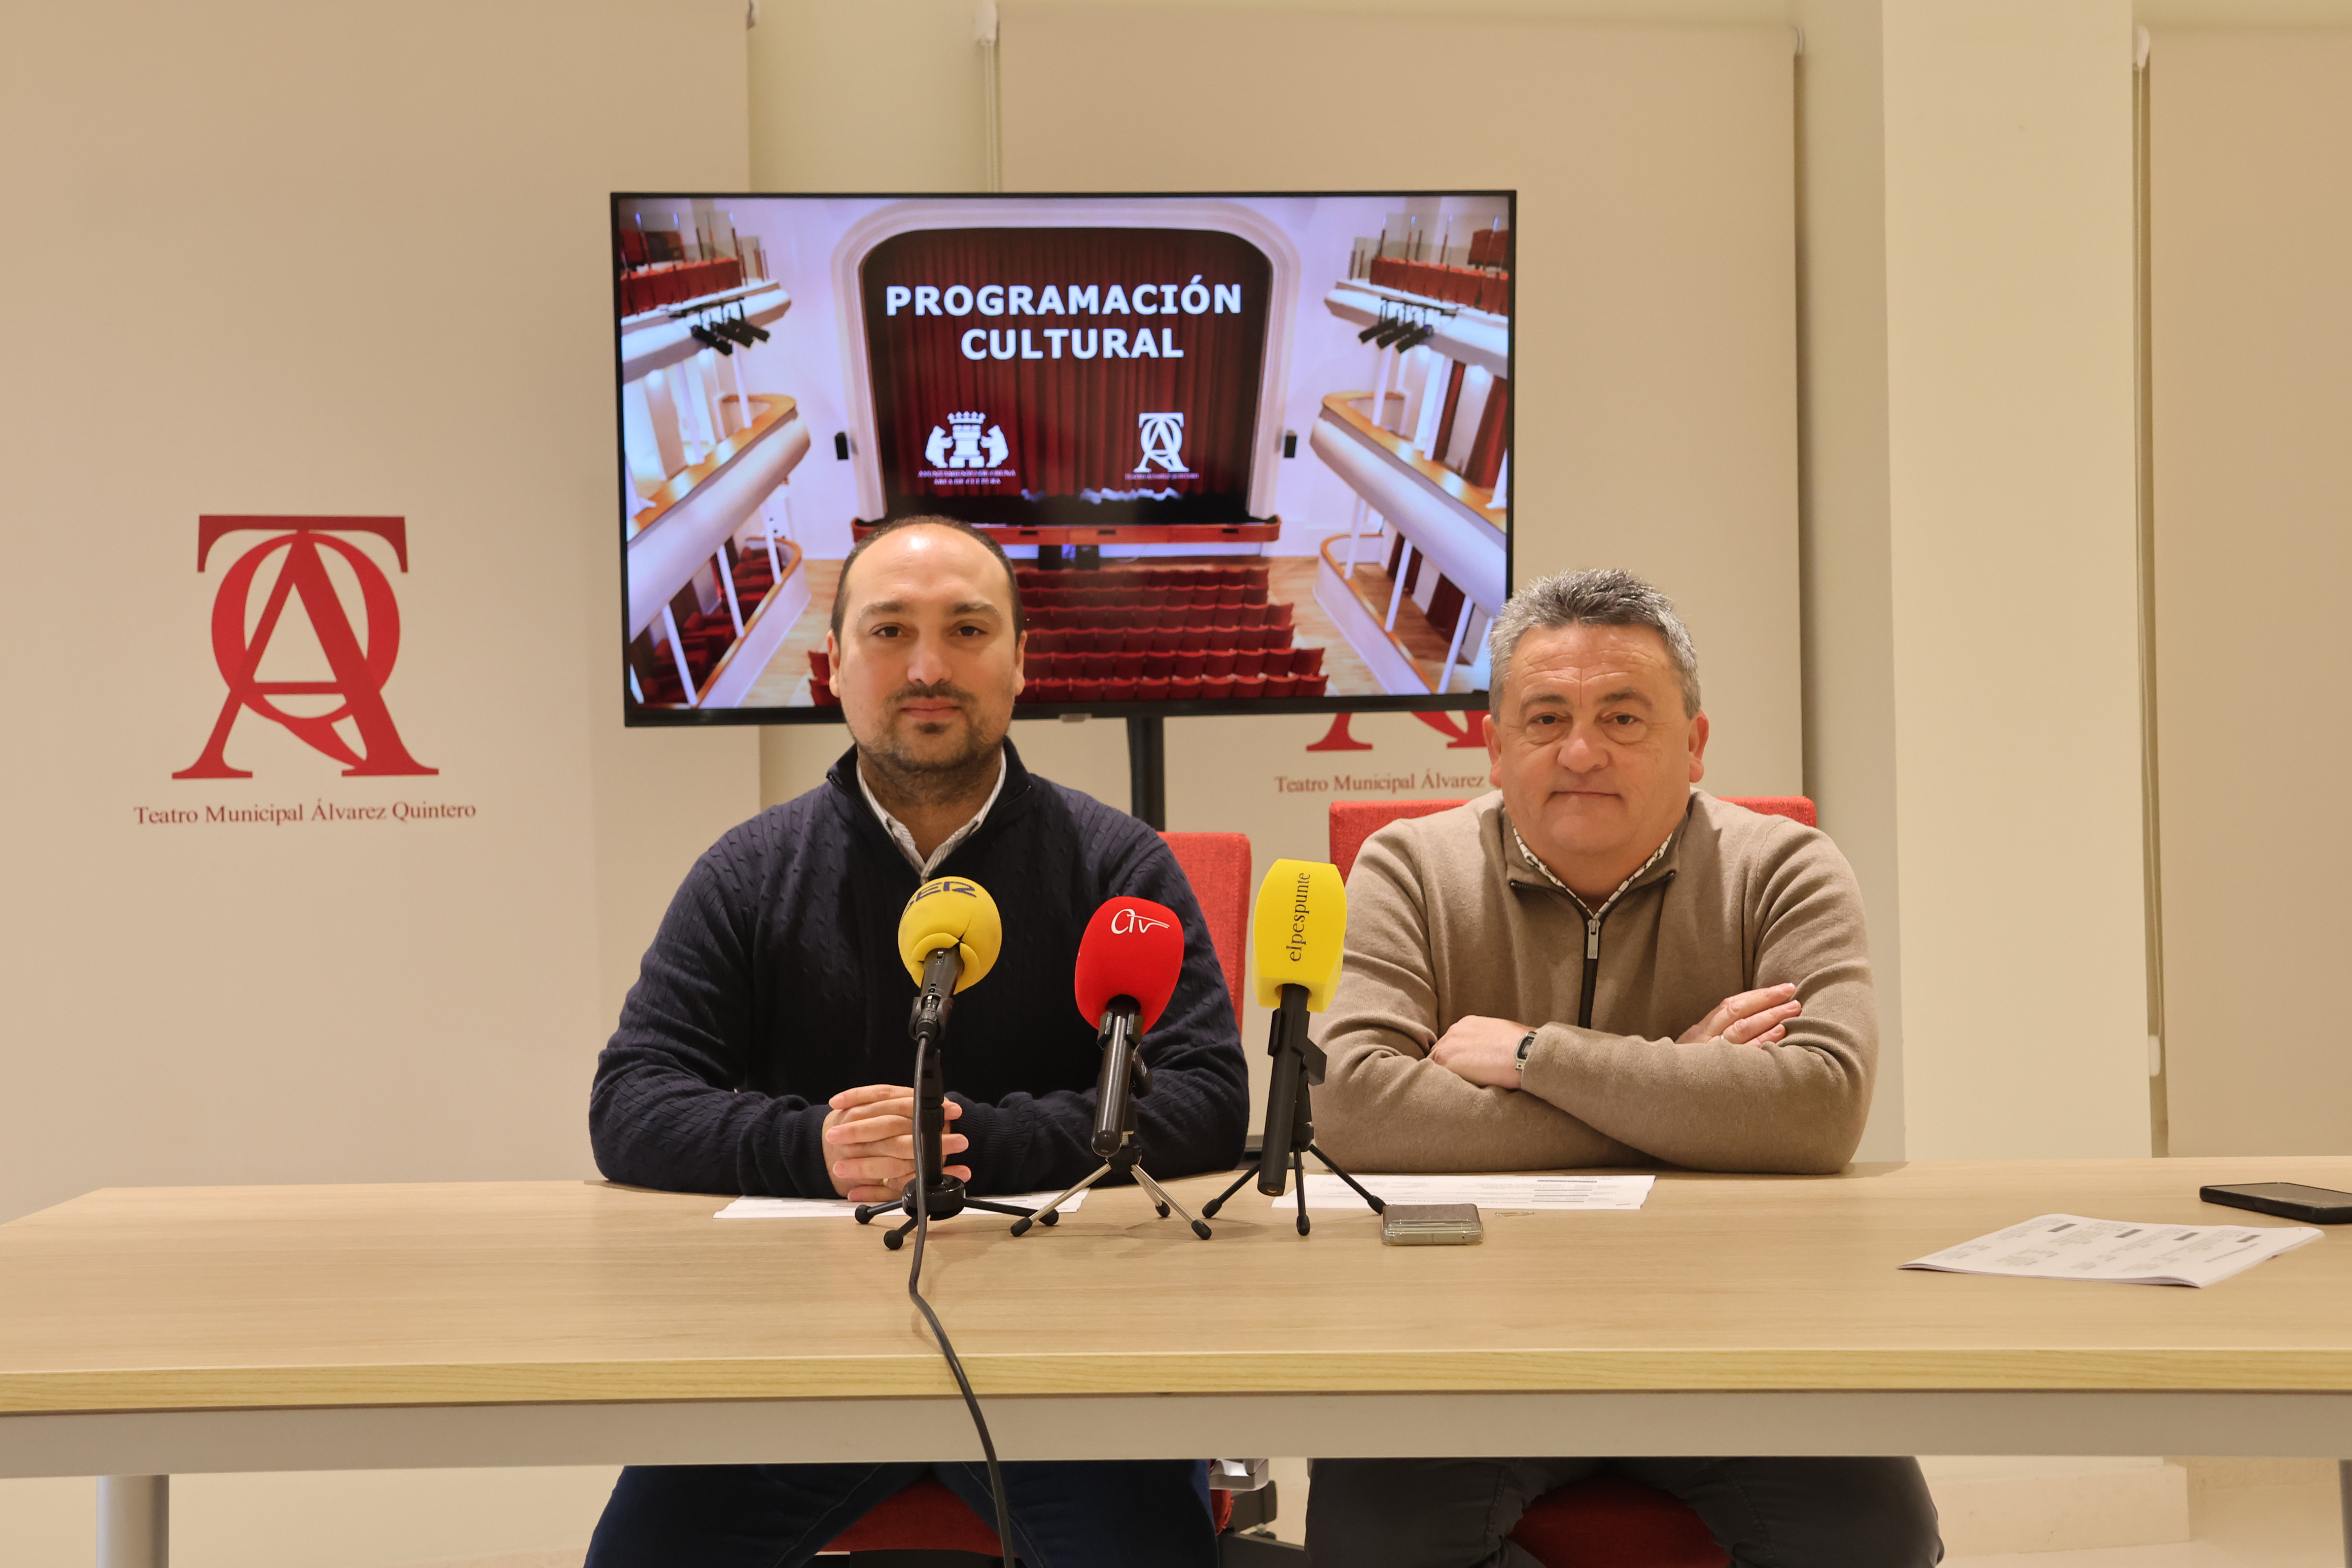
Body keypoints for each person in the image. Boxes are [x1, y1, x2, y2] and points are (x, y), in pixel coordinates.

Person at [584, 516, 1247, 1568]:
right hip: (798, 1359)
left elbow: (1207, 1094)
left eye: (967, 630)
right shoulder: (748, 873)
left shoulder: (1117, 863)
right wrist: (817, 1149)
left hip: (1065, 1361)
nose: (928, 668)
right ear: (832, 664)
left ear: (1021, 663)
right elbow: (632, 1101)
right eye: (889, 631)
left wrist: (973, 1143)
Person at [1307, 568, 1941, 1568]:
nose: (1580, 751)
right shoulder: (1409, 867)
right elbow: (1349, 1107)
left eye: (1623, 717)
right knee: (1373, 1542)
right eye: (1546, 718)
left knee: (1877, 1539)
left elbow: (1819, 1108)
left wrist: (1533, 1056)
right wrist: (1683, 1092)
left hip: (1738, 1332)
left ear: (1694, 743)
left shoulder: (1785, 867)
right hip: (1459, 1337)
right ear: (1494, 744)